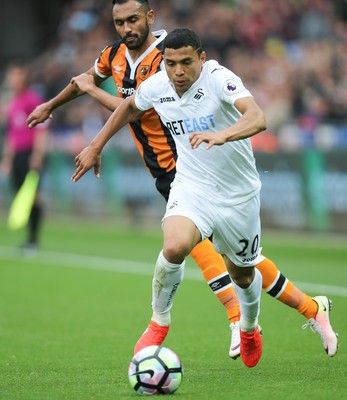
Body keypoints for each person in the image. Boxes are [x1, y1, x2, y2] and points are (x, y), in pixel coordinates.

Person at [27, 0, 338, 360]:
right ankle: (173, 321)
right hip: (180, 174)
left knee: (241, 267)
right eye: (119, 22)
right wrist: (58, 110)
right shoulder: (117, 58)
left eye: (133, 19)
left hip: (214, 175)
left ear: (149, 17)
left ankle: (257, 319)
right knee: (179, 245)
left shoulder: (183, 62)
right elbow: (119, 100)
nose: (127, 28)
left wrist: (222, 135)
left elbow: (252, 115)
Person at [0, 63, 48, 251]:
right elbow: (12, 134)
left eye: (16, 76)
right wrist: (7, 158)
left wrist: (37, 155)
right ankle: (28, 239)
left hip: (30, 154)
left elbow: (41, 129)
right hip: (17, 156)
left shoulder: (32, 99)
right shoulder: (12, 103)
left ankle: (33, 240)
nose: (13, 80)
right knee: (21, 196)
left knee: (33, 196)